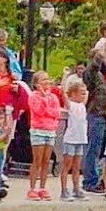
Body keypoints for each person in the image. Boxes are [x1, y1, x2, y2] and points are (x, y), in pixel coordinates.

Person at [81, 48, 106, 193]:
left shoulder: (99, 75)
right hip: (95, 113)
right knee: (92, 148)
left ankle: (94, 178)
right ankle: (90, 181)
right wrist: (101, 52)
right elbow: (94, 66)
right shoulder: (91, 73)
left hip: (102, 113)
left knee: (97, 148)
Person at [26, 71, 61, 201]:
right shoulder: (33, 96)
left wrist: (48, 108)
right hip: (38, 130)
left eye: (47, 79)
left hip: (50, 130)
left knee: (46, 160)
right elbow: (39, 111)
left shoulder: (53, 97)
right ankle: (32, 188)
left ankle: (42, 187)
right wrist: (44, 99)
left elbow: (56, 113)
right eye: (43, 80)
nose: (47, 82)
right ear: (36, 84)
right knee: (37, 160)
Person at [60, 80, 88, 202]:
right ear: (74, 94)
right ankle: (64, 190)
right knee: (67, 165)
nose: (84, 95)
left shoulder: (82, 106)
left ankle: (76, 188)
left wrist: (83, 87)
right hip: (71, 139)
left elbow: (86, 94)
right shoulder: (71, 105)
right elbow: (64, 94)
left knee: (77, 166)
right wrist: (65, 80)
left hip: (81, 139)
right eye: (81, 93)